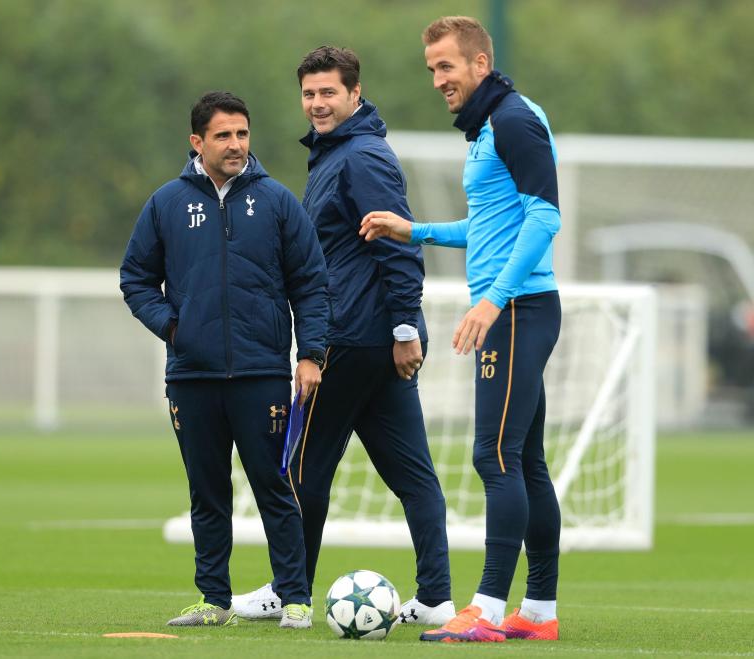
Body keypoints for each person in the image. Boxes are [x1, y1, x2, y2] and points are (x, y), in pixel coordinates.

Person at [233, 46, 455, 630]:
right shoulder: (336, 155)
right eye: (309, 94)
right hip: (372, 342)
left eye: (329, 92)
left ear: (355, 94)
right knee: (413, 475)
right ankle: (435, 597)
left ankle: (291, 591)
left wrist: (405, 329)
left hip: (353, 340)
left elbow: (400, 243)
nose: (317, 104)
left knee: (302, 469)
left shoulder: (361, 158)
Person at [360, 15, 563, 643]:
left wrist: (493, 301)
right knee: (526, 460)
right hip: (520, 307)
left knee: (494, 455)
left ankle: (488, 609)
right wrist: (414, 230)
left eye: (447, 66)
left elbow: (546, 216)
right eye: (432, 69)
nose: (438, 80)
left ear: (480, 63)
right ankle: (539, 613)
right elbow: (491, 228)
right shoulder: (487, 128)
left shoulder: (512, 120)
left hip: (519, 310)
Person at [120, 91, 329, 629]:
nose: (236, 144)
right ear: (198, 142)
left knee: (273, 486)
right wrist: (173, 326)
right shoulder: (166, 202)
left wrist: (311, 355)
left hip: (261, 374)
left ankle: (295, 596)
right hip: (191, 376)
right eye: (223, 135)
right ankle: (213, 599)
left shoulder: (278, 201)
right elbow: (135, 278)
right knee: (206, 490)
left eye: (242, 133)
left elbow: (311, 285)